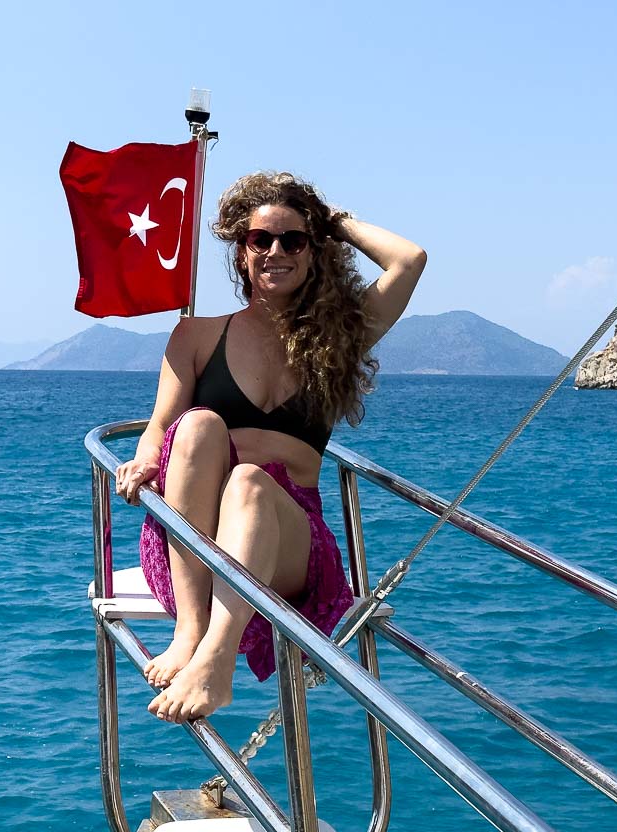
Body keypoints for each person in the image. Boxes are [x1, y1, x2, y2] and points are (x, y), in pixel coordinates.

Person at [114, 171, 426, 723]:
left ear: (313, 253)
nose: (276, 251)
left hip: (289, 540)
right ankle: (191, 629)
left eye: (293, 240)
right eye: (261, 240)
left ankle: (216, 661)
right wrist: (142, 459)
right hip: (196, 537)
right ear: (241, 252)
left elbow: (410, 260)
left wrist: (331, 219)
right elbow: (161, 425)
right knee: (198, 425)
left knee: (251, 482)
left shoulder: (340, 335)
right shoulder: (195, 335)